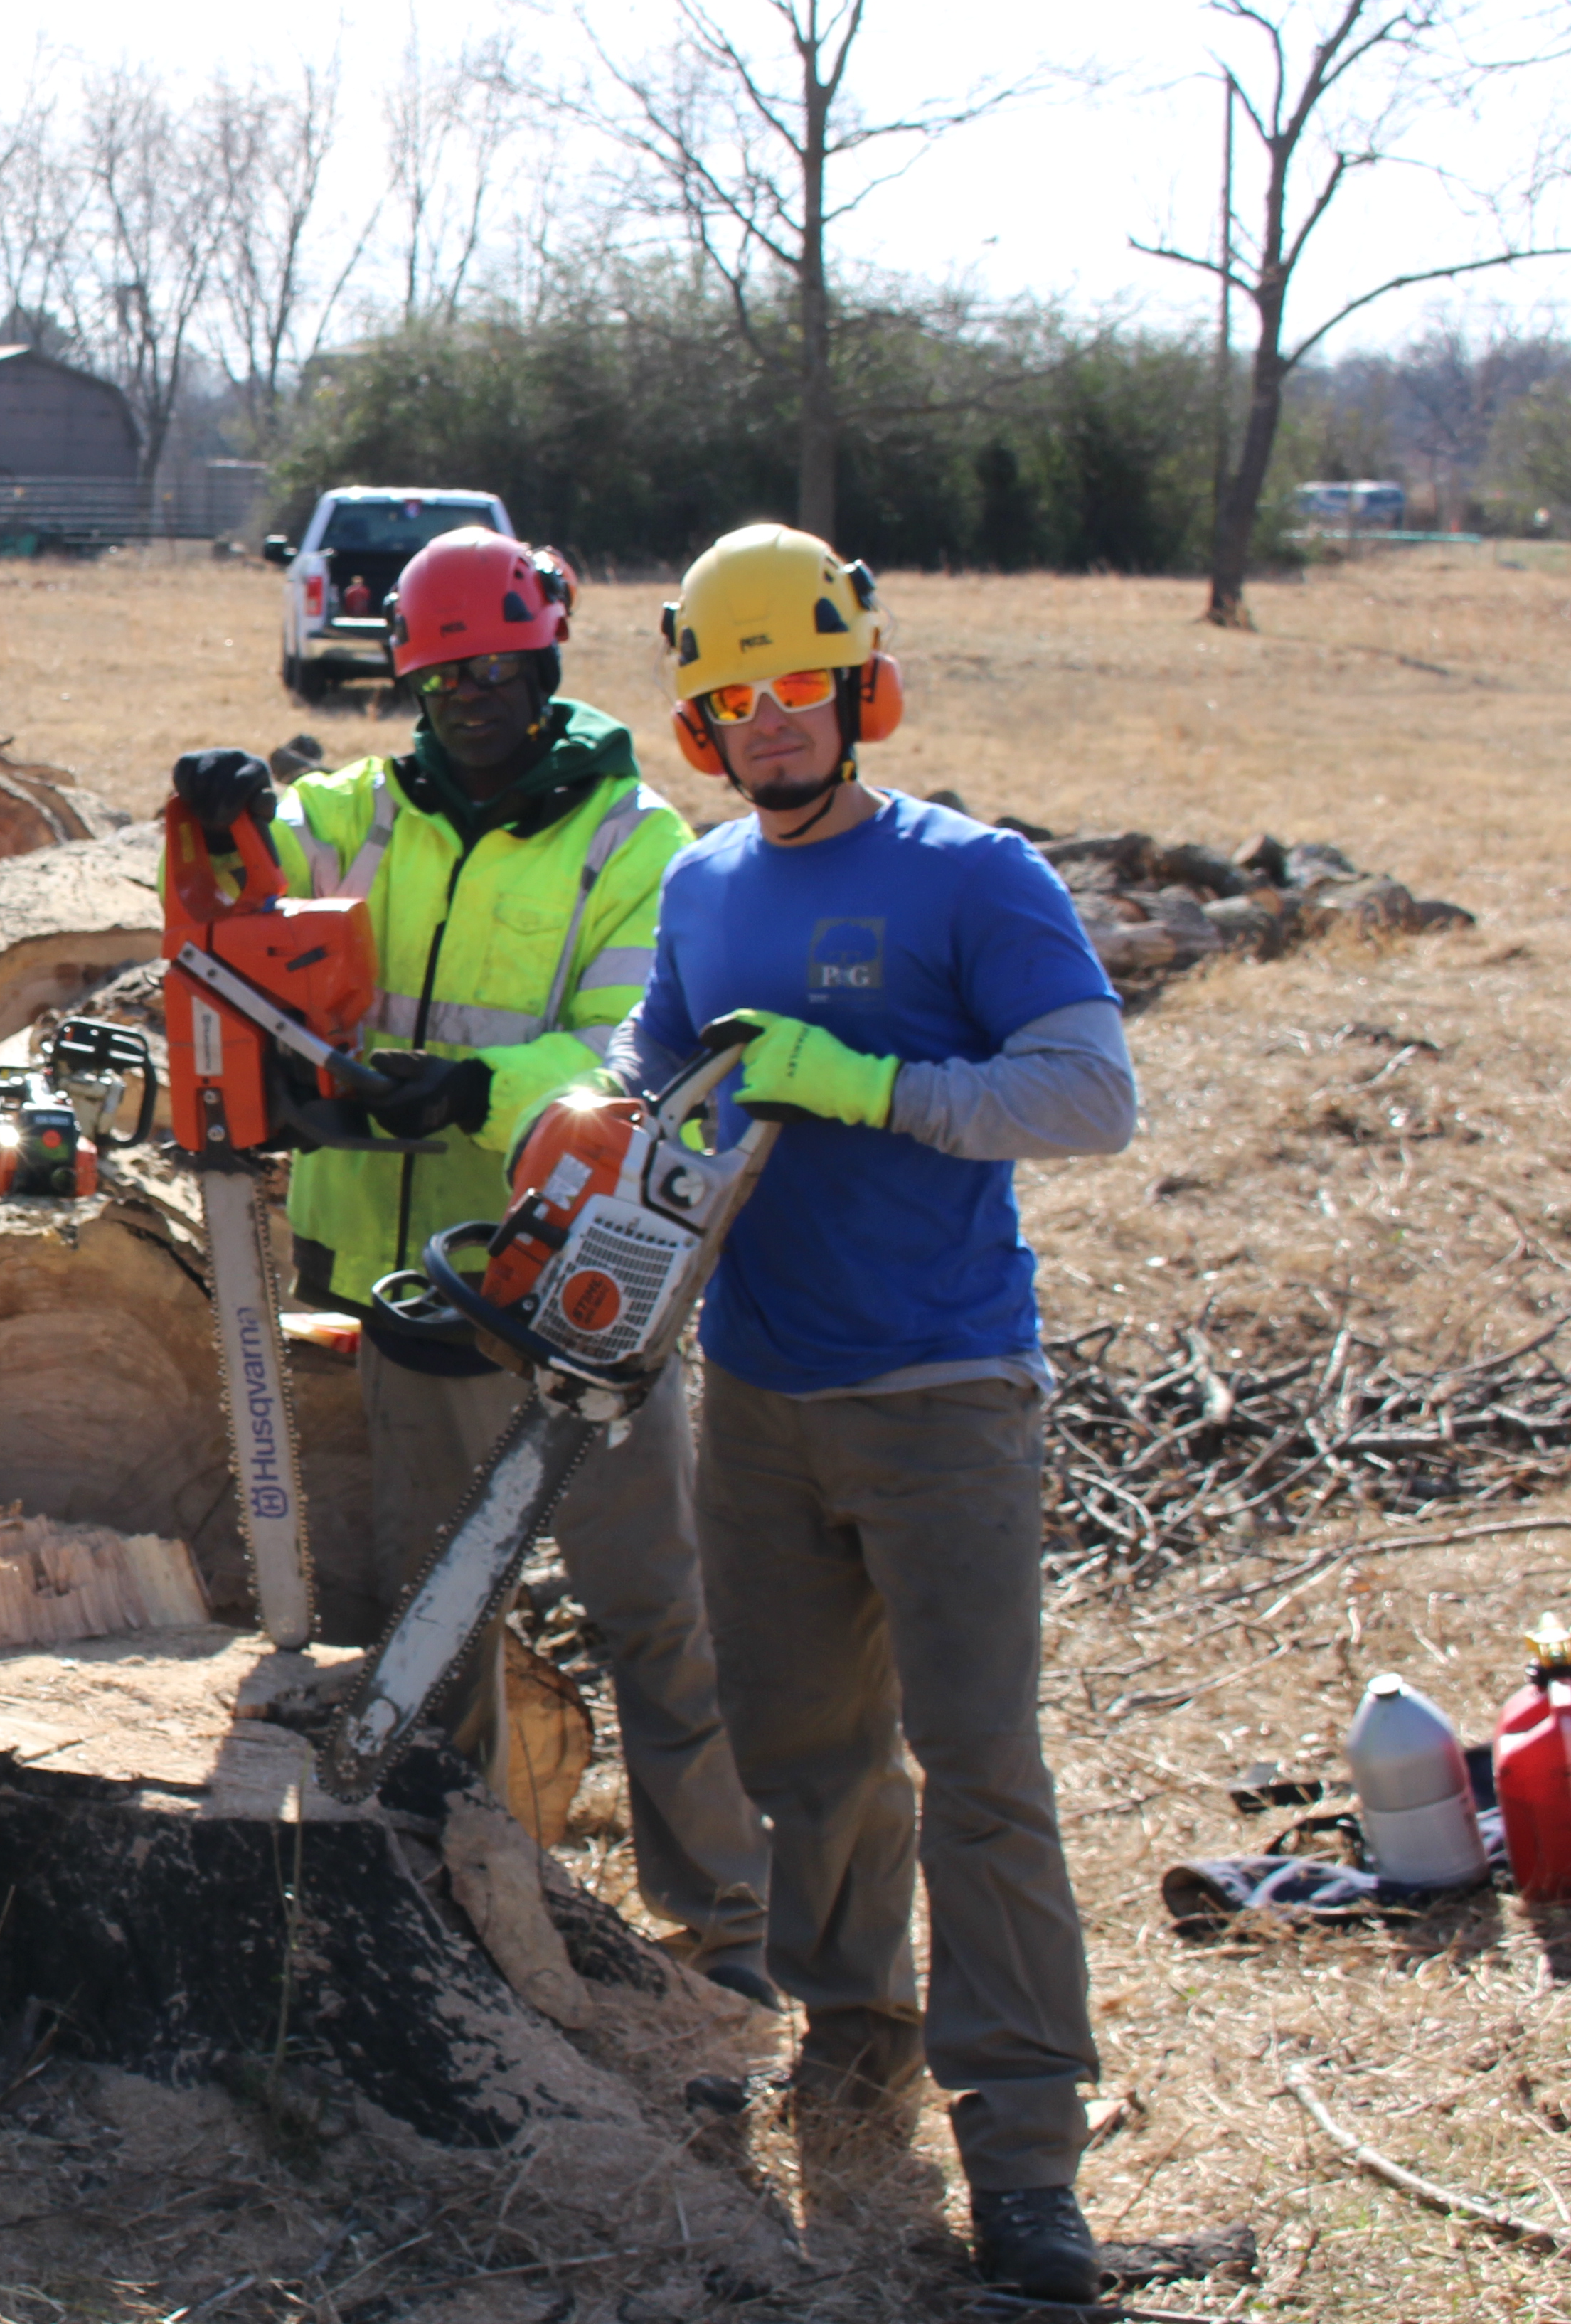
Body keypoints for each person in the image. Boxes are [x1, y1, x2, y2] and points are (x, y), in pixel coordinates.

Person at [614, 523, 1136, 2304]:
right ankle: (855, 2032)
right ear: (701, 719)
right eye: (732, 698)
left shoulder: (972, 877)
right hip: (757, 1388)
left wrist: (873, 1083)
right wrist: (606, 1117)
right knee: (803, 1756)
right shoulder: (699, 885)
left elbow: (1088, 1093)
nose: (767, 723)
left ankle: (1027, 2154)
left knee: (980, 1772)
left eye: (793, 690)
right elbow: (660, 1064)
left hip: (943, 1386)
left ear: (854, 689)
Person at [171, 526, 772, 2004]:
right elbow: (226, 898)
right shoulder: (364, 811)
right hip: (388, 1268)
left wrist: (470, 1092)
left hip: (582, 1270)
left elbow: (644, 1048)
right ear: (410, 680)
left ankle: (731, 1921)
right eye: (442, 678)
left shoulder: (637, 845)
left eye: (497, 670)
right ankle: (458, 1891)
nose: (471, 698)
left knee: (650, 1600)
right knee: (432, 1610)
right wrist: (213, 805)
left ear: (545, 659)